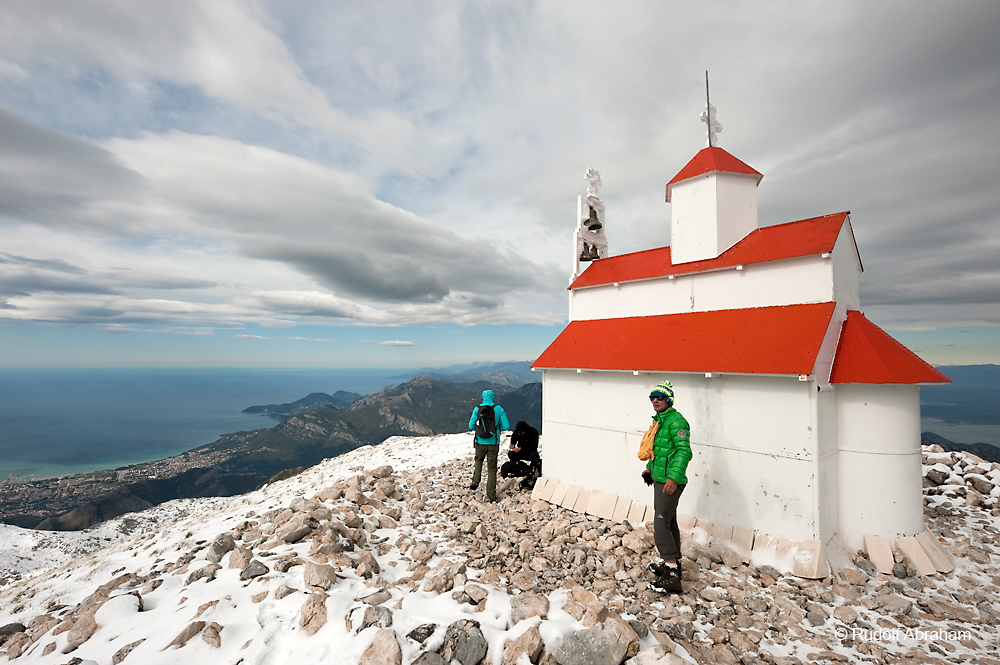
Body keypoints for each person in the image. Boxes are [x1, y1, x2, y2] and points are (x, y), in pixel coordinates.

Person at [642, 380, 693, 594]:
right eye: (652, 397)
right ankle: (673, 565)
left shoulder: (676, 421)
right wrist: (649, 469)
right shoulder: (660, 421)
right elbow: (658, 451)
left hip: (670, 482)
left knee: (661, 523)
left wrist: (673, 477)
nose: (655, 400)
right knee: (669, 520)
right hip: (661, 479)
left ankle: (671, 575)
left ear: (668, 400)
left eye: (660, 397)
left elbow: (684, 452)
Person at [468, 389, 510, 502]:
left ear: (483, 397)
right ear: (493, 397)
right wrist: (496, 430)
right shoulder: (498, 409)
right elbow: (506, 426)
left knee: (478, 460)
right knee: (492, 469)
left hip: (480, 442)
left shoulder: (477, 409)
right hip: (493, 443)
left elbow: (471, 426)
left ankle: (476, 480)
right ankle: (491, 495)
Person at [502, 421, 541, 490]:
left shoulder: (533, 432)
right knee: (511, 454)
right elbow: (514, 438)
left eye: (521, 432)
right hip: (520, 451)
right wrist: (512, 444)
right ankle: (518, 467)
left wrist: (521, 449)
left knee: (535, 456)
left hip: (529, 452)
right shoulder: (517, 432)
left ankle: (532, 470)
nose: (519, 434)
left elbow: (534, 447)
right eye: (518, 433)